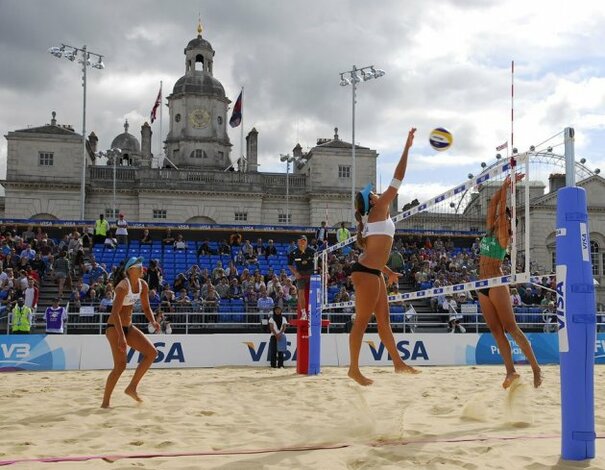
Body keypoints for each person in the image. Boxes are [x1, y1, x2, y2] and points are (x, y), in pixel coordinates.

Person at [348, 128, 420, 386]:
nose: (377, 192)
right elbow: (398, 177)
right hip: (366, 273)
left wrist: (388, 271)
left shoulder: (374, 217)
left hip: (373, 271)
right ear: (372, 201)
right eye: (373, 192)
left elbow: (374, 252)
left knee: (384, 321)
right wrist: (407, 148)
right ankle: (353, 369)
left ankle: (398, 363)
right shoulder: (379, 209)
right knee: (362, 321)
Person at [477, 173, 542, 389]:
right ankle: (510, 371)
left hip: (496, 283)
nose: (498, 218)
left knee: (511, 328)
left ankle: (536, 368)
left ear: (507, 221)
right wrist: (503, 186)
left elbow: (500, 207)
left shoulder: (504, 235)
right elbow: (493, 205)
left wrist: (508, 188)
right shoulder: (490, 230)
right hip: (481, 285)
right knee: (496, 331)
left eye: (503, 217)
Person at [101, 257, 160, 408]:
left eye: (142, 266)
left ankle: (132, 387)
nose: (142, 269)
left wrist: (153, 321)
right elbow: (115, 313)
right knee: (120, 366)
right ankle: (105, 404)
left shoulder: (143, 285)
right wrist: (121, 337)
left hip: (128, 326)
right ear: (130, 270)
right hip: (114, 328)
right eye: (139, 267)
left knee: (152, 353)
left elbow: (146, 308)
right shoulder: (122, 286)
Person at [287, 235, 315, 321]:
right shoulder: (293, 252)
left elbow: (321, 262)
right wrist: (295, 273)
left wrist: (325, 272)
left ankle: (314, 313)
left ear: (306, 242)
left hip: (311, 273)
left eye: (304, 241)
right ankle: (304, 313)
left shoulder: (313, 251)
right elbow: (289, 265)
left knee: (314, 293)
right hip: (300, 273)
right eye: (300, 241)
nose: (302, 242)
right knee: (300, 293)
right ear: (298, 242)